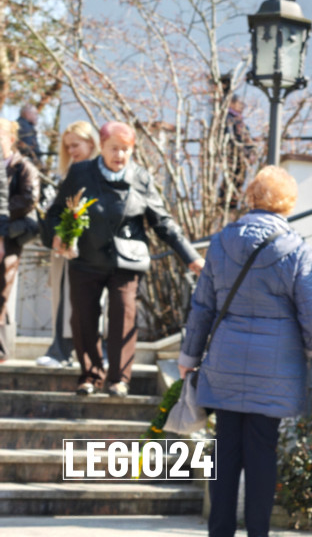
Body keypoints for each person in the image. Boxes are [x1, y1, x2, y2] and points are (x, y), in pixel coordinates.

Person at [178, 165, 312, 537]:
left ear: (252, 197)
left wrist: (189, 356)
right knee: (262, 452)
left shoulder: (220, 242)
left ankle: (220, 531)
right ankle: (258, 531)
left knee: (225, 449)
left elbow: (203, 305)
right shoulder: (295, 247)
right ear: (288, 202)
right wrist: (310, 348)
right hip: (276, 365)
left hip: (225, 359)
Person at [43, 121, 204, 397]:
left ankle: (119, 379)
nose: (120, 155)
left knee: (123, 314)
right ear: (102, 147)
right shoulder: (81, 172)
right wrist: (58, 234)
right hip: (86, 259)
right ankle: (90, 376)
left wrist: (191, 257)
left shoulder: (141, 177)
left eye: (126, 149)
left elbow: (163, 222)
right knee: (83, 318)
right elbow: (56, 211)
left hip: (126, 261)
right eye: (114, 148)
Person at [37, 122, 102, 368]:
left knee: (97, 304)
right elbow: (57, 211)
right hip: (69, 250)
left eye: (75, 145)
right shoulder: (70, 174)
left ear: (91, 143)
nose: (71, 151)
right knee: (66, 300)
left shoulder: (102, 172)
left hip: (97, 251)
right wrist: (59, 233)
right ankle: (61, 351)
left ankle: (94, 352)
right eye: (67, 147)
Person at [0, 119, 39, 359]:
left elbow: (28, 199)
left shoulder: (23, 167)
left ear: (11, 139)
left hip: (10, 237)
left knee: (2, 290)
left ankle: (2, 349)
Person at [221, 95, 256, 210]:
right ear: (232, 104)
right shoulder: (228, 119)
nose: (242, 107)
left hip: (241, 156)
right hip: (233, 155)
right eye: (239, 104)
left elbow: (246, 138)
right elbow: (232, 138)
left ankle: (233, 204)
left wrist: (251, 151)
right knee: (231, 180)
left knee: (239, 181)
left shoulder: (239, 120)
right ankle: (226, 206)